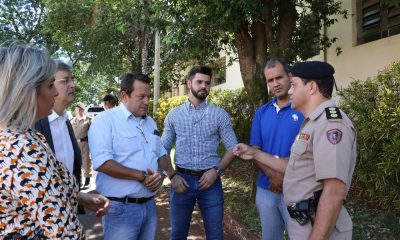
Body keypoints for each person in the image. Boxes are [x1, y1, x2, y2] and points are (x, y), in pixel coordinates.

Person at [234, 61, 356, 239]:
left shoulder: (331, 124)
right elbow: (293, 164)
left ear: (311, 87)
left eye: (294, 85)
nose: (289, 91)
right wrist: (254, 153)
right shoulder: (313, 122)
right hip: (305, 222)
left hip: (318, 228)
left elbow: (334, 192)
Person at [0, 44, 109, 239]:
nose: (56, 93)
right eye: (51, 85)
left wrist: (81, 198)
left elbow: (51, 187)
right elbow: (65, 233)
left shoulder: (26, 136)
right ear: (28, 91)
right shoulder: (24, 151)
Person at [88, 73, 174, 240]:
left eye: (148, 96)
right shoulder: (105, 121)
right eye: (141, 96)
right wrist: (141, 177)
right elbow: (103, 162)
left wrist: (161, 174)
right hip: (120, 209)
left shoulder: (150, 122)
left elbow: (162, 154)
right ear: (124, 95)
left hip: (149, 206)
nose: (147, 101)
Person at [161, 66, 238, 240]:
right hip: (182, 181)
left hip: (210, 182)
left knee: (215, 235)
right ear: (189, 83)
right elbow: (162, 149)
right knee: (178, 234)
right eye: (199, 82)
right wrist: (172, 175)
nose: (204, 86)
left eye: (207, 83)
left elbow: (233, 148)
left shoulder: (220, 115)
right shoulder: (174, 115)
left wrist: (216, 171)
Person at [250, 58, 304, 240]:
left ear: (289, 76)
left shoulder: (303, 110)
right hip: (266, 190)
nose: (275, 84)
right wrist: (273, 176)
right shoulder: (261, 113)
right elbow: (254, 151)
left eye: (279, 78)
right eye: (270, 80)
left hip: (298, 191)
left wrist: (284, 178)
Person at [35, 60, 83, 190]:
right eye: (65, 80)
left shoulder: (66, 121)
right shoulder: (34, 124)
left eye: (72, 80)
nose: (72, 85)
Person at [71, 102, 92, 188]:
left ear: (83, 110)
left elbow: (93, 133)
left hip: (85, 143)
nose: (78, 110)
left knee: (86, 161)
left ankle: (87, 181)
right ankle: (79, 180)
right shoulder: (72, 120)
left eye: (80, 109)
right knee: (76, 162)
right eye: (77, 109)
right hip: (75, 143)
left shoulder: (88, 120)